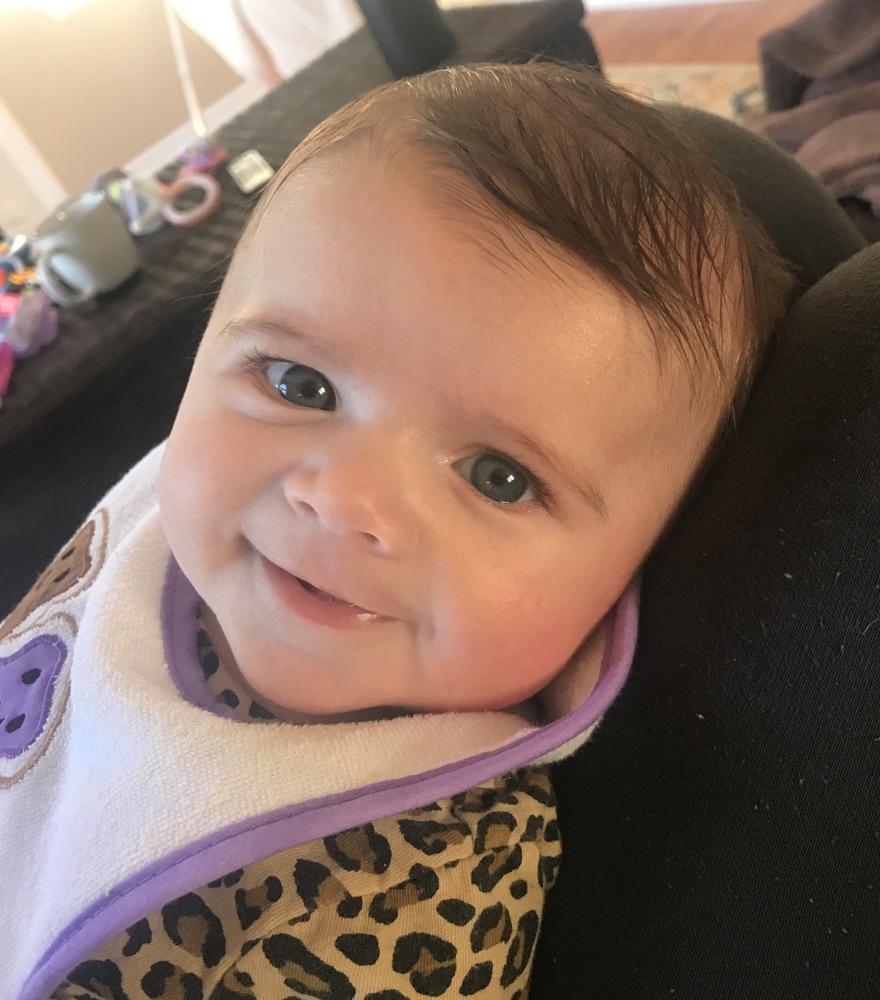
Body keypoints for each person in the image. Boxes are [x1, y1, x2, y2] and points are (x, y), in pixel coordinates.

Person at [1, 63, 794, 999]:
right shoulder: (161, 534)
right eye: (299, 384)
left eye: (498, 477)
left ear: (631, 576)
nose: (343, 499)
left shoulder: (423, 879)